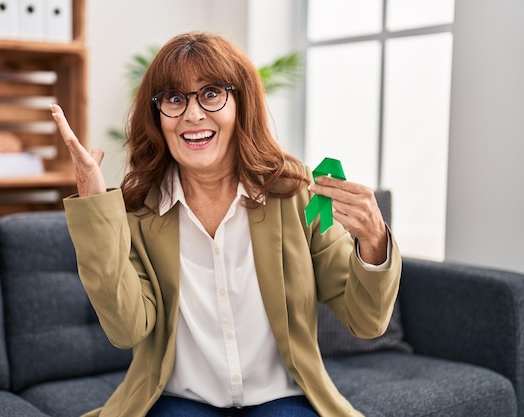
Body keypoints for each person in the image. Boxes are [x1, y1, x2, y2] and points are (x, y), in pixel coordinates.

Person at [51, 31, 401, 417]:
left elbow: (366, 321)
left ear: (241, 104)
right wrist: (93, 205)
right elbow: (126, 330)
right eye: (174, 98)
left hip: (279, 398)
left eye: (212, 93)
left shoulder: (298, 192)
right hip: (179, 399)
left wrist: (373, 240)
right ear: (158, 115)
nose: (193, 114)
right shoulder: (137, 211)